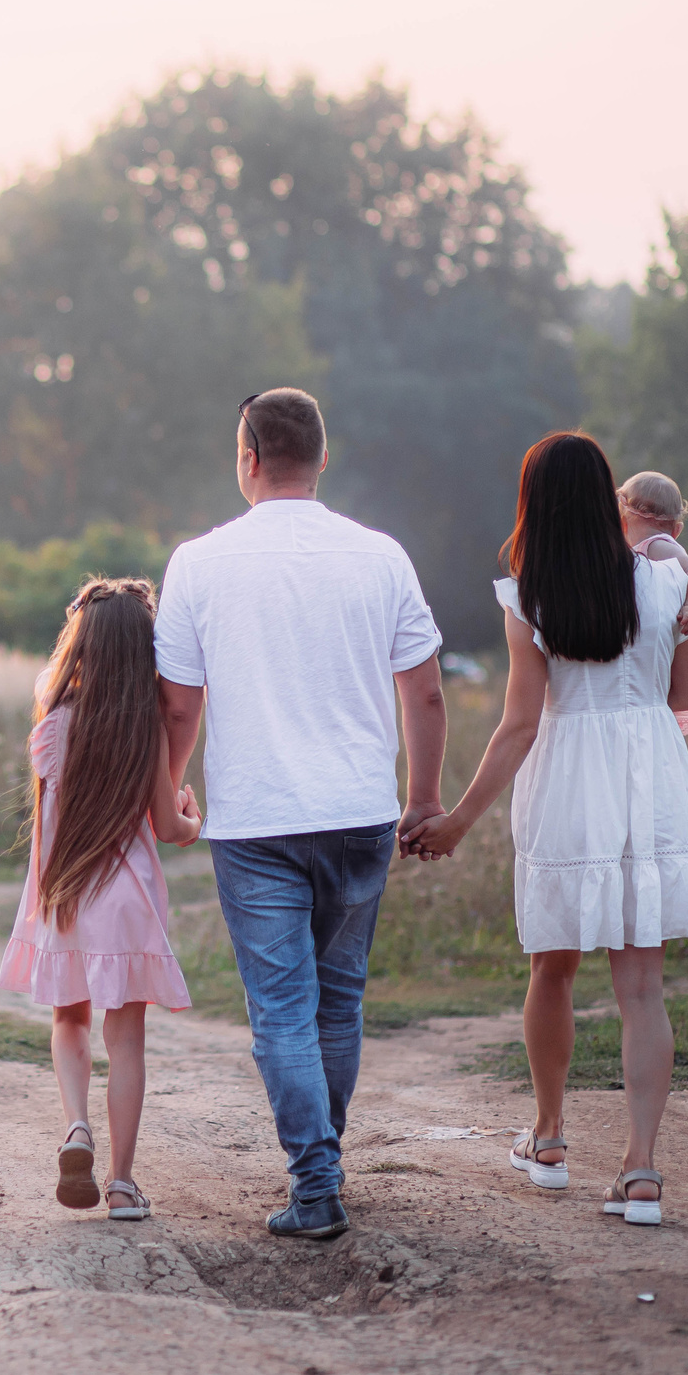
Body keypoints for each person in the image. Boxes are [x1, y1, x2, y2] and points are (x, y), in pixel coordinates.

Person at [404, 433, 688, 1227]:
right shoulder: (662, 584)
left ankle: (549, 1137)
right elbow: (686, 695)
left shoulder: (530, 599)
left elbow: (519, 727)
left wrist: (457, 822)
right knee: (642, 986)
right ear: (605, 497)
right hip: (649, 779)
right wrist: (679, 629)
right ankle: (641, 1168)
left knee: (551, 968)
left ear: (535, 505)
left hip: (568, 783)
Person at [153, 389, 447, 1240]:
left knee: (282, 1008)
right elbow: (423, 689)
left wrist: (171, 794)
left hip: (256, 824)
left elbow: (178, 707)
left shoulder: (199, 562)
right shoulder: (381, 556)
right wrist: (423, 797)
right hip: (359, 812)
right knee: (338, 1001)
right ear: (324, 456)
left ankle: (315, 1181)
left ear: (247, 458)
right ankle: (324, 1160)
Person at [0, 577, 200, 1223]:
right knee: (128, 1038)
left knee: (69, 1019)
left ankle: (78, 1127)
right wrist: (192, 815)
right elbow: (169, 828)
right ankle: (122, 1184)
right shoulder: (145, 729)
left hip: (67, 898)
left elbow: (53, 819)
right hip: (127, 904)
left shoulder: (52, 724)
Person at [616, 470, 688, 735]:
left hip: (682, 622)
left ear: (623, 522)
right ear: (677, 528)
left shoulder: (658, 546)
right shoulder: (650, 548)